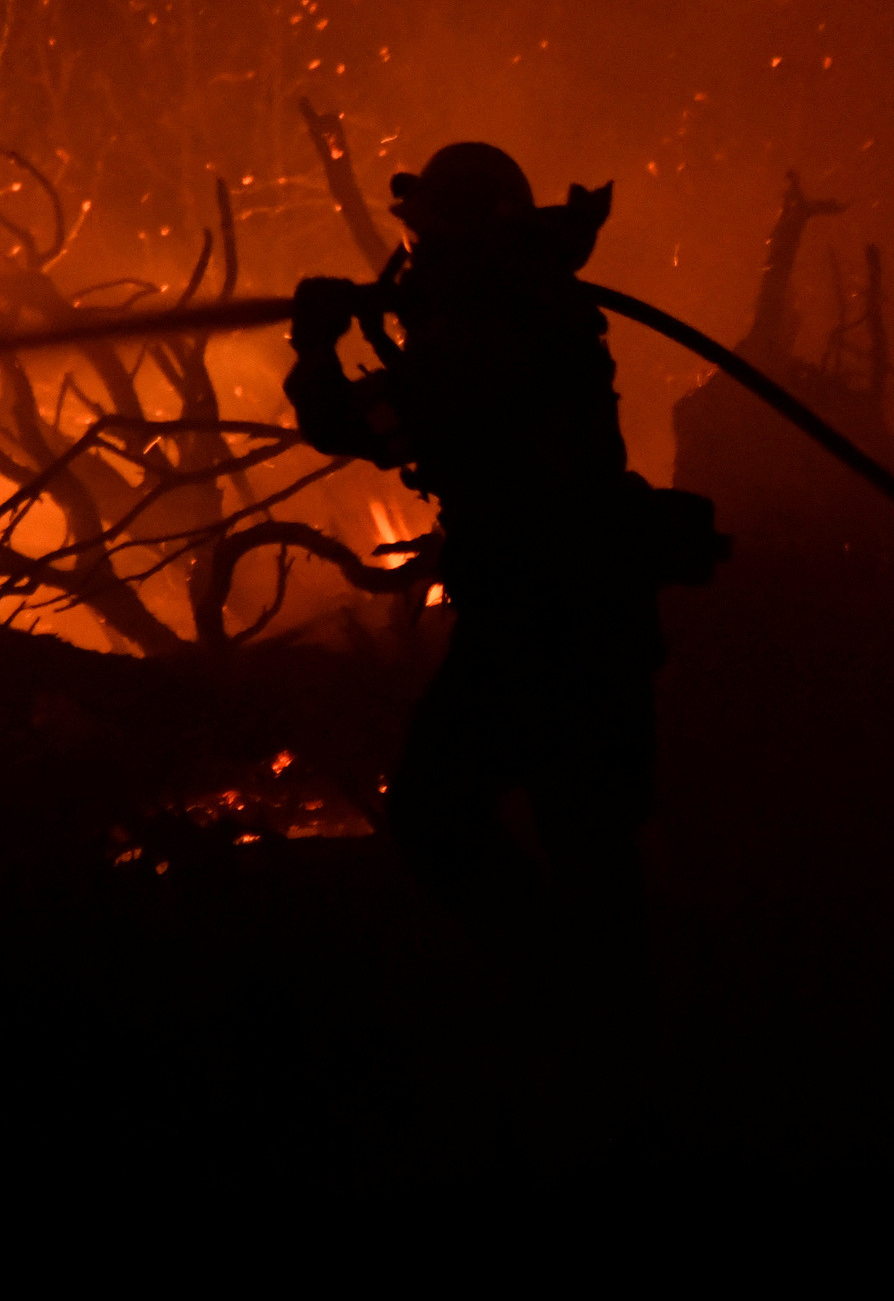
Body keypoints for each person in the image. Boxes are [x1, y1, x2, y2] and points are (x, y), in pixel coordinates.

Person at [287, 143, 715, 955]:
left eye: (426, 239)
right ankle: (616, 1024)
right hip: (596, 613)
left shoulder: (479, 339)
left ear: (458, 238)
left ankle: (563, 999)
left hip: (534, 621)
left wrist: (312, 348)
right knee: (589, 839)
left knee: (434, 813)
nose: (414, 258)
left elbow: (351, 423)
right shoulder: (535, 307)